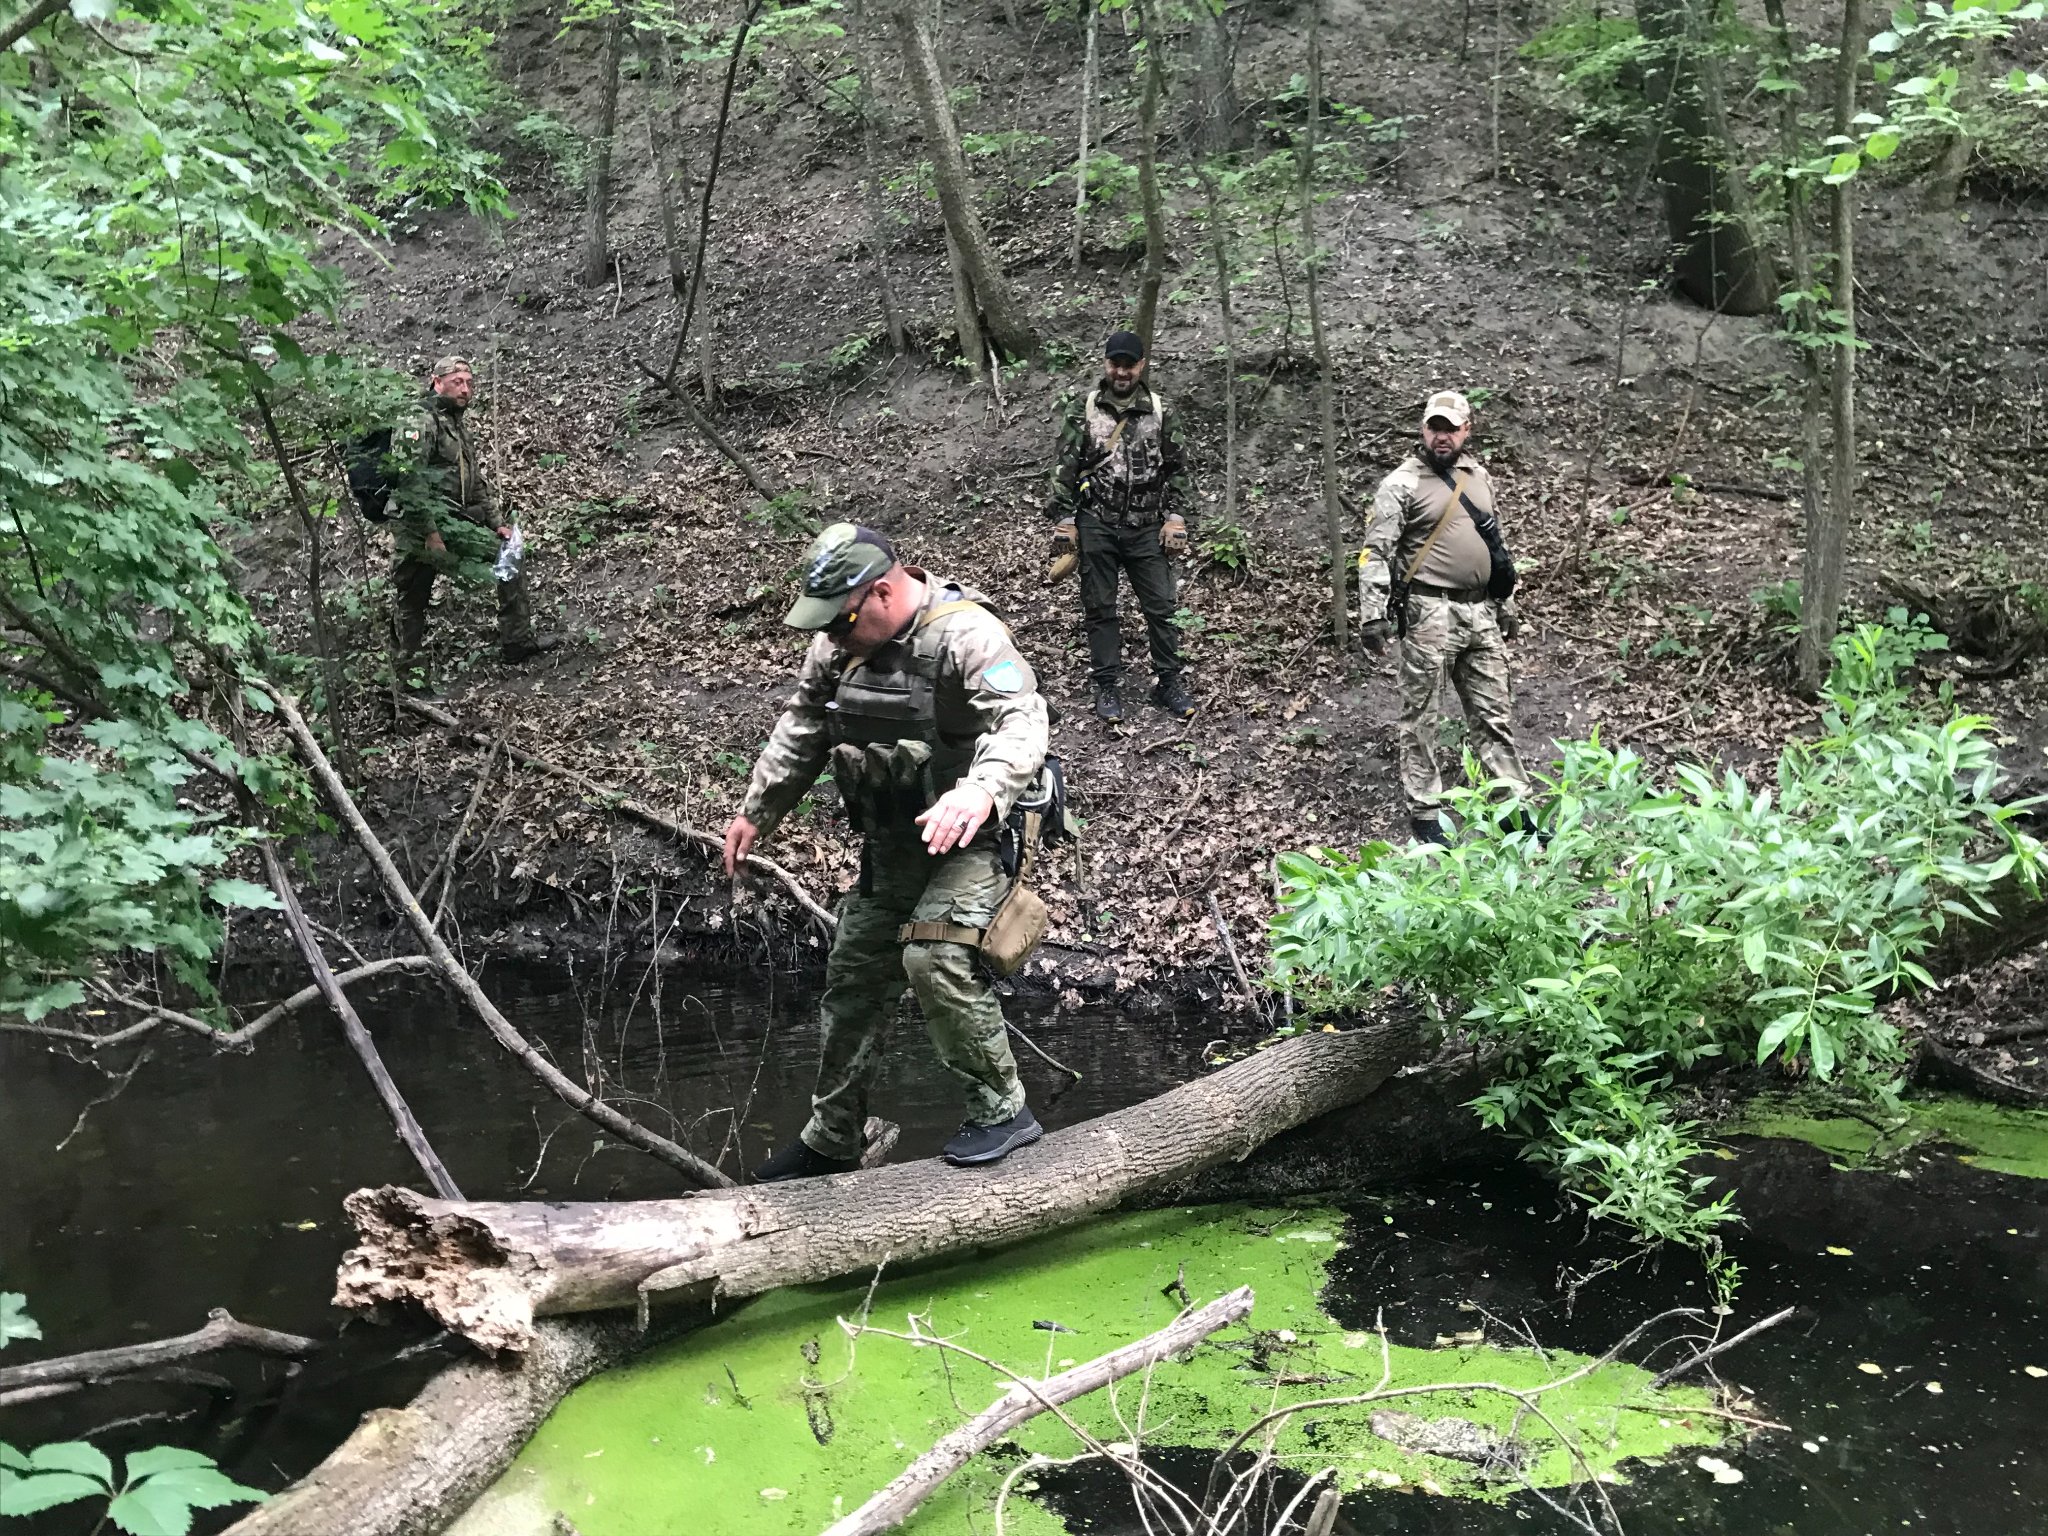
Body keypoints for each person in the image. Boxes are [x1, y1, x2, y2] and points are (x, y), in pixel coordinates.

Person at [723, 523, 1051, 1179]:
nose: (833, 638)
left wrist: (982, 791)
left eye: (841, 623)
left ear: (879, 593)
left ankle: (1002, 1112)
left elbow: (1021, 718)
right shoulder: (837, 645)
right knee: (853, 975)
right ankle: (832, 1136)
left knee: (931, 953)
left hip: (976, 839)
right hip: (895, 840)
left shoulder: (966, 634)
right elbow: (805, 724)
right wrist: (757, 810)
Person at [1356, 390, 1531, 844]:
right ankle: (1425, 809)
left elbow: (1496, 546)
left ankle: (1511, 806)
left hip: (1481, 612)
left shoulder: (1478, 477)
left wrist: (1505, 602)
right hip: (1429, 610)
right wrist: (1372, 614)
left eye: (1451, 428)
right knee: (1422, 714)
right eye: (1435, 427)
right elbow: (1376, 550)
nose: (1442, 436)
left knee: (1494, 712)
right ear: (1423, 429)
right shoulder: (1402, 483)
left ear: (1466, 431)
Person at [1048, 330, 1195, 723]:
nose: (1122, 372)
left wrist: (1176, 518)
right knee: (1100, 608)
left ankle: (1168, 683)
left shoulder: (1161, 411)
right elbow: (1064, 467)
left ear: (1141, 366)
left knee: (1162, 608)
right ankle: (1107, 685)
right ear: (1106, 363)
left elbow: (1179, 469)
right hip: (1096, 522)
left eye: (1129, 365)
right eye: (1116, 364)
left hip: (1147, 527)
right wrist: (1065, 523)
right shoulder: (1085, 408)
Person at [390, 355, 557, 681]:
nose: (465, 389)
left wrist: (497, 522)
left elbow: (475, 484)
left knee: (508, 554)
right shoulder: (419, 420)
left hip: (455, 521)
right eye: (457, 382)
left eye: (469, 383)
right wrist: (430, 532)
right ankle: (406, 678)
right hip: (420, 527)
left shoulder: (456, 424)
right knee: (412, 599)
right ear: (436, 382)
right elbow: (409, 479)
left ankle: (516, 642)